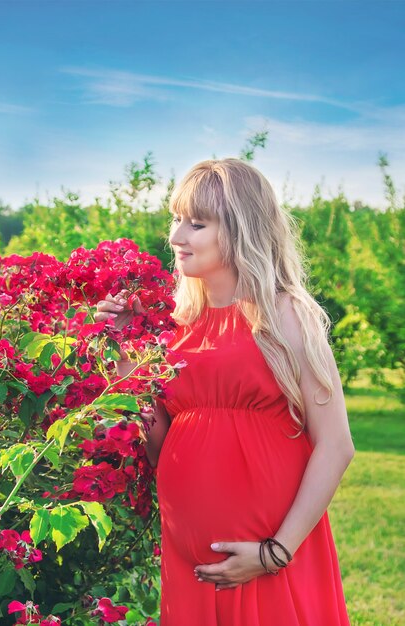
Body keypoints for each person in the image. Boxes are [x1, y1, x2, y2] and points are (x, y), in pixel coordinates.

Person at [95, 158, 355, 625]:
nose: (176, 238)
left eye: (197, 224)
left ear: (241, 229)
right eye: (176, 220)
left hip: (270, 556)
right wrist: (124, 353)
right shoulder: (173, 329)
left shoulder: (286, 316)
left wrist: (276, 551)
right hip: (190, 563)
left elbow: (336, 446)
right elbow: (158, 448)